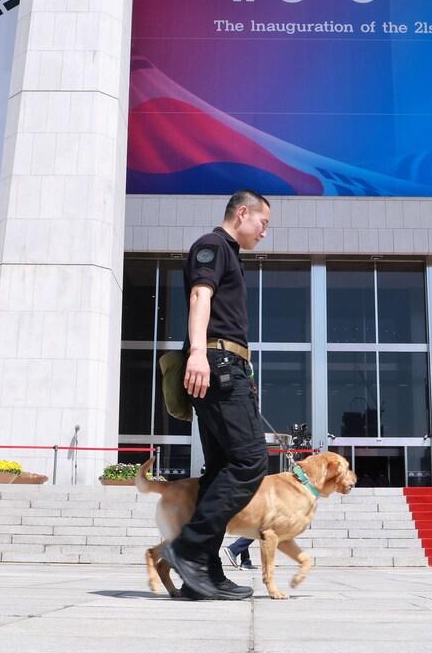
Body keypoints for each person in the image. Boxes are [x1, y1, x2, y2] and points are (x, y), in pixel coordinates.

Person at [160, 190, 271, 602]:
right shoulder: (212, 246)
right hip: (218, 364)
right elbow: (199, 297)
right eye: (263, 223)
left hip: (227, 365)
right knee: (250, 460)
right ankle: (188, 547)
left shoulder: (228, 253)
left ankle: (201, 574)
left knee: (223, 466)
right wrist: (199, 354)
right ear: (242, 213)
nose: (264, 232)